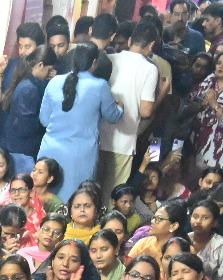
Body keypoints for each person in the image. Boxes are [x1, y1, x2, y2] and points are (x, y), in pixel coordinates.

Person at [37, 45, 124, 203]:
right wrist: (120, 108)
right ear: (94, 63)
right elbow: (113, 116)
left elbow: (44, 120)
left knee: (44, 202)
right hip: (80, 156)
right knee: (75, 203)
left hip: (49, 152)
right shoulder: (100, 86)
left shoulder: (54, 82)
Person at [101, 21, 161, 194]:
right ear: (151, 46)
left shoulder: (110, 59)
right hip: (124, 140)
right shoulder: (150, 69)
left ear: (129, 41)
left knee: (95, 189)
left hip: (99, 134)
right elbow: (146, 111)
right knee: (114, 193)